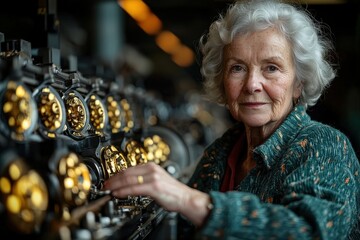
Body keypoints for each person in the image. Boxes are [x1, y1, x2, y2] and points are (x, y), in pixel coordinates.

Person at [104, 0, 360, 239]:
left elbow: (311, 230)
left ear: (298, 83)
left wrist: (190, 200)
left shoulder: (325, 146)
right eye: (237, 68)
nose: (251, 84)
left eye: (271, 68)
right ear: (222, 80)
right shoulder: (220, 154)